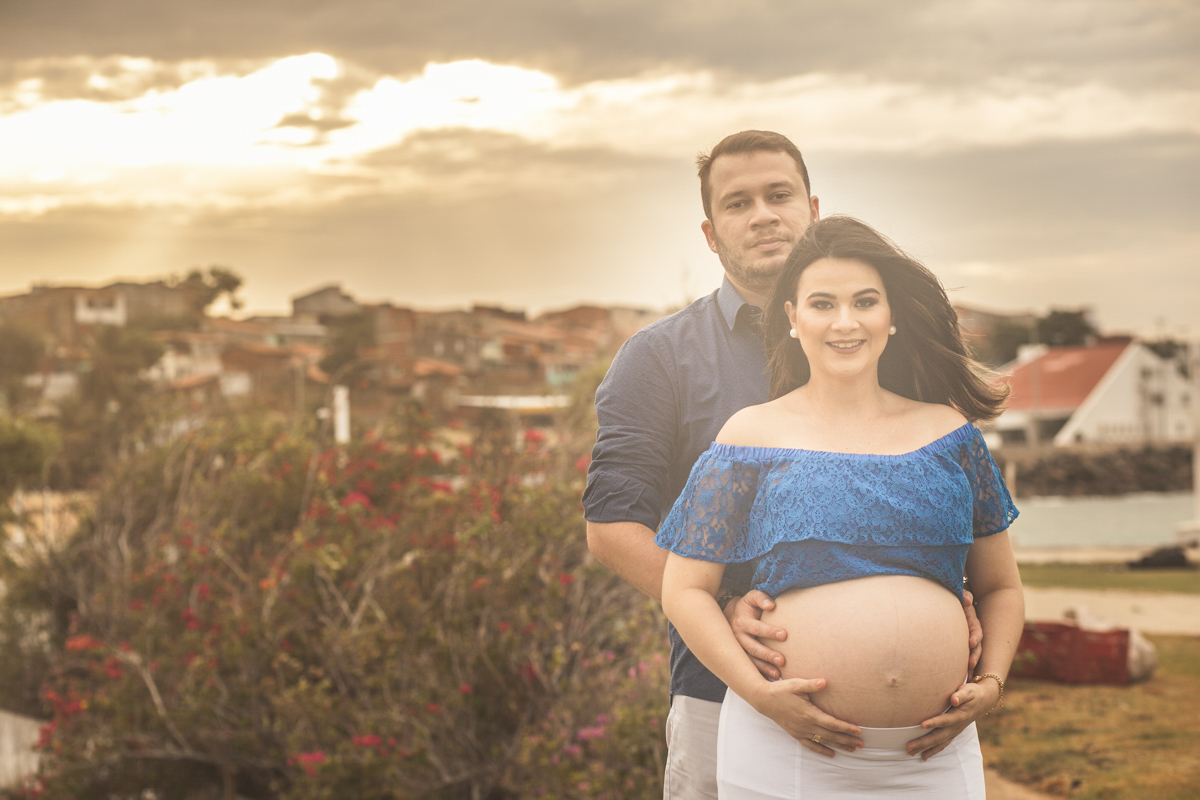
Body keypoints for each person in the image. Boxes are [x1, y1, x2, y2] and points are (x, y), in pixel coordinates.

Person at [582, 130, 982, 799]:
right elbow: (611, 529)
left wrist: (950, 595)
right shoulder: (659, 358)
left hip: (918, 735)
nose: (764, 214)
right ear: (711, 236)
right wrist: (723, 606)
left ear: (813, 208)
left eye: (778, 194)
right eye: (738, 203)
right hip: (722, 700)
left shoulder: (891, 348)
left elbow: (939, 494)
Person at [656, 216, 1026, 798]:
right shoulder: (750, 435)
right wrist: (761, 698)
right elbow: (684, 589)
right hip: (788, 752)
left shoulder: (951, 434)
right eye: (823, 304)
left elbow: (1001, 587)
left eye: (865, 301)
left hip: (934, 759)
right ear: (793, 319)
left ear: (892, 315)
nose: (845, 322)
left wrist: (993, 683)